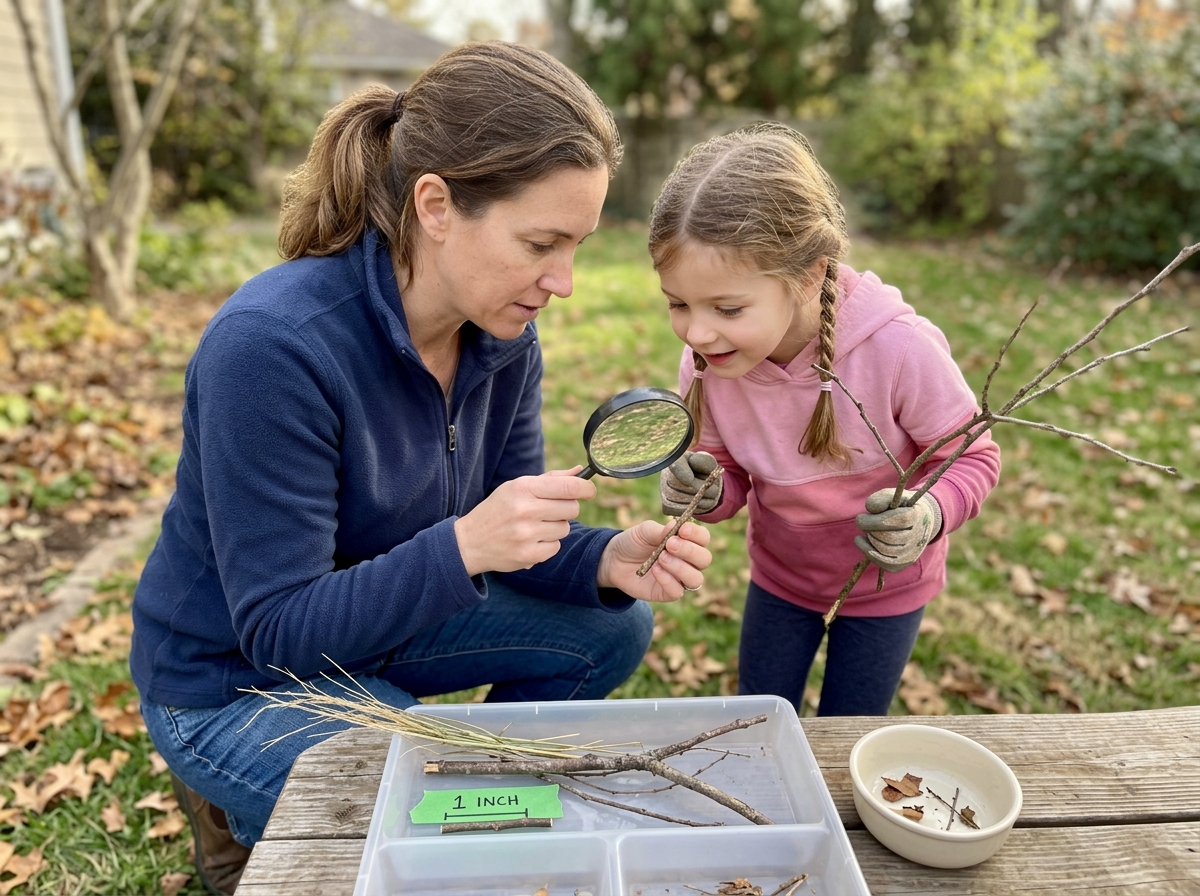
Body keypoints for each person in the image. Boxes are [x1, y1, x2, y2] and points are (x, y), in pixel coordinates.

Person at [130, 42, 711, 895]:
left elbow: (500, 528)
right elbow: (280, 631)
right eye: (541, 242)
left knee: (610, 627)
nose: (565, 281)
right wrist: (467, 547)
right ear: (435, 205)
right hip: (236, 681)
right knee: (460, 799)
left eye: (576, 245)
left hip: (376, 624)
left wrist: (601, 559)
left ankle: (427, 765)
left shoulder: (503, 335)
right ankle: (253, 800)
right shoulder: (271, 350)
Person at [649, 123, 1000, 718]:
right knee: (759, 720)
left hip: (887, 589)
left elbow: (972, 456)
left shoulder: (898, 349)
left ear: (811, 274)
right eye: (678, 304)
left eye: (727, 308)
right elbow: (728, 472)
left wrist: (929, 513)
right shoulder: (707, 363)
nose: (698, 332)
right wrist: (703, 490)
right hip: (780, 583)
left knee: (848, 733)